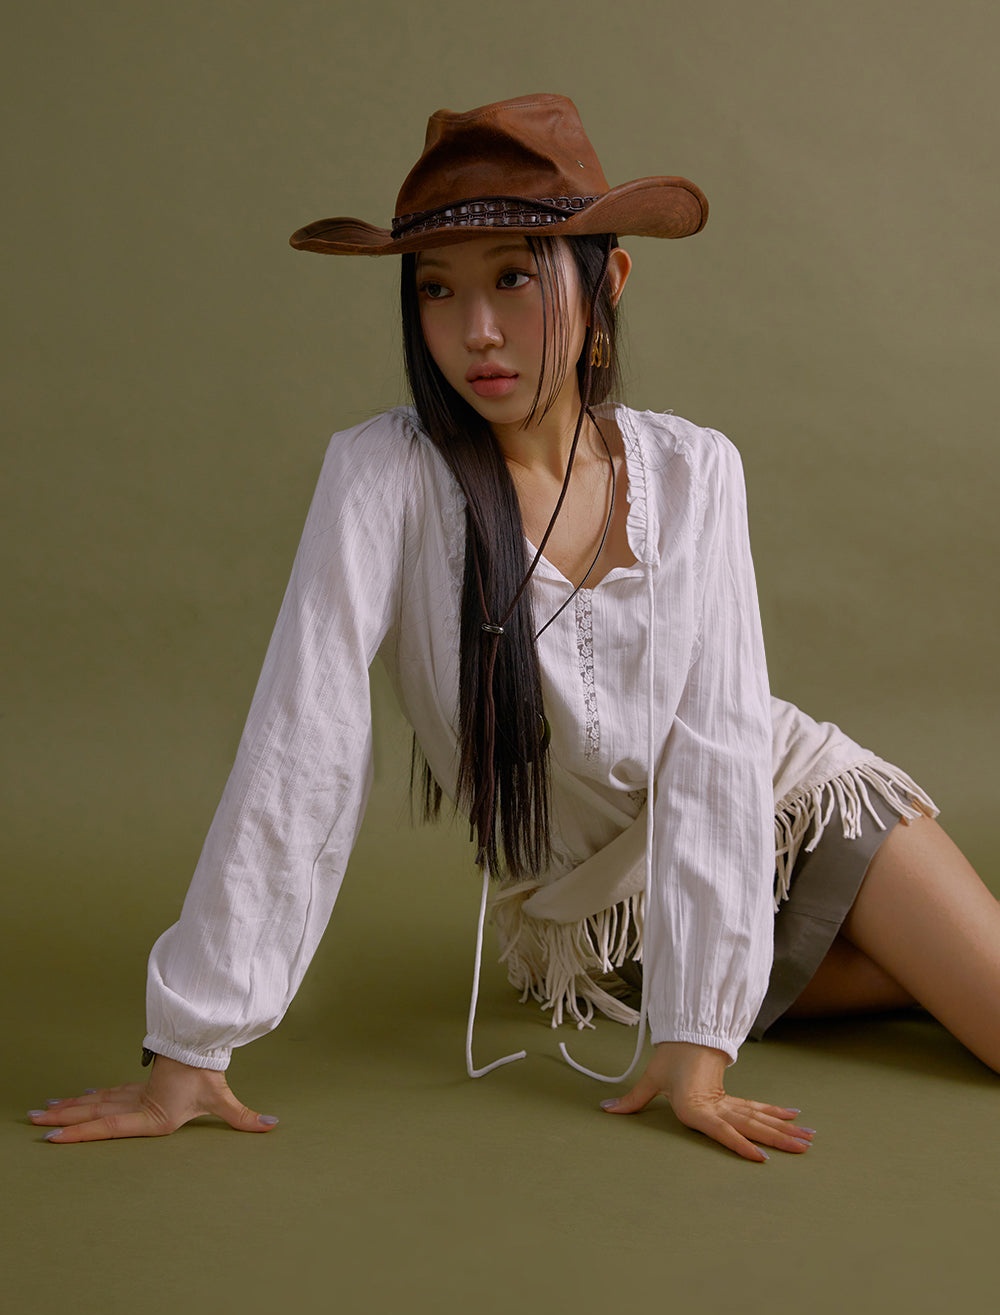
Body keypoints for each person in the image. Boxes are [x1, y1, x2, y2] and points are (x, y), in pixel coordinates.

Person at [31, 94, 1000, 1162]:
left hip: (789, 809)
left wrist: (697, 1046)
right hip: (607, 920)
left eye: (513, 278)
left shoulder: (693, 470)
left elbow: (718, 741)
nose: (476, 331)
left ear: (608, 282)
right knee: (922, 986)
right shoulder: (384, 476)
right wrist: (192, 1043)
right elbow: (303, 740)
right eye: (436, 288)